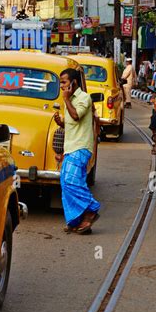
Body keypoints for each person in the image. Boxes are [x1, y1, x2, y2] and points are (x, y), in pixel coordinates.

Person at [53, 68, 100, 234]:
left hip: (80, 147)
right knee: (66, 183)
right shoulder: (71, 99)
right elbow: (72, 123)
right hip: (70, 147)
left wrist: (66, 100)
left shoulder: (83, 98)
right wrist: (60, 123)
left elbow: (76, 116)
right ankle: (77, 219)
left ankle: (92, 208)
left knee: (73, 182)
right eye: (61, 83)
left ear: (73, 83)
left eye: (64, 82)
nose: (61, 87)